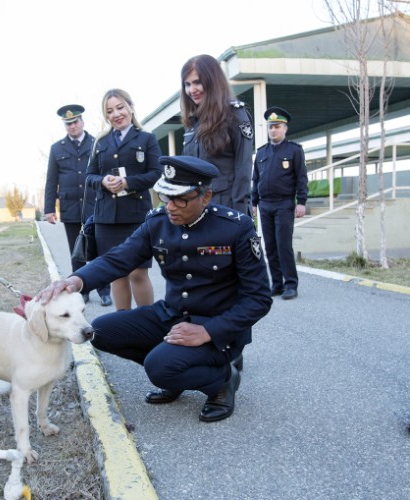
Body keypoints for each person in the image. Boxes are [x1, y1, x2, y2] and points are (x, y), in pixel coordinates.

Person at [38, 155, 272, 422]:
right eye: (164, 196)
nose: (170, 206)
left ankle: (222, 380)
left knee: (159, 367)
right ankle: (178, 369)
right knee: (101, 331)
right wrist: (75, 281)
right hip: (171, 315)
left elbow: (259, 298)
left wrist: (208, 331)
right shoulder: (158, 222)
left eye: (179, 199)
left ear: (205, 197)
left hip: (219, 328)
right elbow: (119, 258)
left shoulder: (235, 228)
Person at [86, 88, 163, 311]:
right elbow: (89, 175)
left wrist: (128, 182)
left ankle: (147, 324)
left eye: (120, 107)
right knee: (116, 275)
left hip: (136, 216)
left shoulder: (147, 138)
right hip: (106, 218)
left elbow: (156, 172)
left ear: (130, 107)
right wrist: (103, 182)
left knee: (138, 273)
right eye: (110, 111)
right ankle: (123, 328)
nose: (116, 114)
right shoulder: (100, 142)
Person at [44, 104, 112, 306]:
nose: (72, 126)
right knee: (77, 252)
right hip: (71, 207)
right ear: (65, 126)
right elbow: (51, 180)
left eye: (75, 122)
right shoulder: (57, 148)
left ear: (82, 122)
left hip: (97, 205)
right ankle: (81, 290)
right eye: (68, 124)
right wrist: (49, 208)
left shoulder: (97, 143)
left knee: (100, 251)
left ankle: (104, 290)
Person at [180, 54, 254, 215]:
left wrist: (238, 216)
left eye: (197, 82)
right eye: (187, 84)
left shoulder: (234, 114)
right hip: (196, 209)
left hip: (226, 208)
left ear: (213, 80)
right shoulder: (192, 123)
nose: (192, 90)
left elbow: (243, 168)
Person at [251, 106, 308, 300]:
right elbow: (255, 179)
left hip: (284, 204)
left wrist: (301, 202)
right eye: (270, 127)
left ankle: (291, 284)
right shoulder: (261, 153)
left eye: (277, 126)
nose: (273, 130)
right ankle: (276, 284)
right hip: (265, 206)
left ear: (285, 128)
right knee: (270, 247)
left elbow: (301, 178)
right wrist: (253, 202)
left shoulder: (294, 151)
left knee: (284, 245)